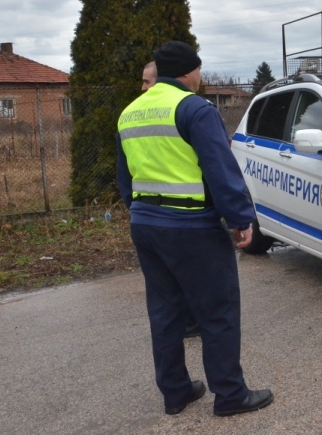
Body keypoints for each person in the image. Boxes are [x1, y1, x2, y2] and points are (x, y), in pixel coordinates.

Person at [117, 41, 273, 416]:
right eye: (199, 71)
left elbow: (125, 177)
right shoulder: (194, 109)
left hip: (146, 224)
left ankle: (176, 392)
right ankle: (230, 395)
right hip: (191, 227)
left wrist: (142, 214)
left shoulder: (130, 113)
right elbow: (220, 168)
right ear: (189, 72)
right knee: (217, 312)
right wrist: (240, 220)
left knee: (166, 312)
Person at [140, 59, 202, 340]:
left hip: (148, 218)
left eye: (146, 81)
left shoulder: (133, 114)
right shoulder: (189, 109)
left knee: (165, 297)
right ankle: (228, 384)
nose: (142, 87)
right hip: (184, 216)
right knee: (197, 286)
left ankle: (174, 383)